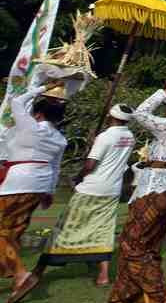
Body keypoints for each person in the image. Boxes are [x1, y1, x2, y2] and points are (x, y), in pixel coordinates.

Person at [91, 79, 166, 303]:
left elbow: (138, 113)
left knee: (131, 245)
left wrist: (165, 92)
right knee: (147, 247)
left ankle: (163, 297)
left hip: (155, 189)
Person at [30, 104, 136, 292]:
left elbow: (90, 164)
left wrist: (78, 177)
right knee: (103, 229)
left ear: (111, 116)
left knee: (66, 226)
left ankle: (38, 270)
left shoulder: (105, 137)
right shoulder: (130, 137)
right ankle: (103, 275)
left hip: (91, 187)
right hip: (112, 190)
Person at [1, 79, 67, 303]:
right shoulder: (60, 139)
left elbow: (17, 101)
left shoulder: (30, 126)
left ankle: (21, 275)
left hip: (17, 183)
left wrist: (42, 87)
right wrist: (49, 192)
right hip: (39, 185)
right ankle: (12, 275)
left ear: (38, 114)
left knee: (2, 234)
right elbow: (56, 167)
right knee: (13, 232)